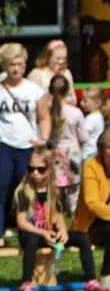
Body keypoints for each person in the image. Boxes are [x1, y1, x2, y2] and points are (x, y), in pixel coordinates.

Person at [0, 42, 51, 249]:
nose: (16, 68)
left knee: (25, 191)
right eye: (12, 64)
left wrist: (43, 138)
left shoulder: (35, 90)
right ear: (4, 66)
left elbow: (44, 117)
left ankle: (29, 233)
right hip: (2, 146)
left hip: (28, 146)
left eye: (20, 63)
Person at [12, 148, 110, 291]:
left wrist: (63, 230)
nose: (35, 173)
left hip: (50, 234)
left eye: (40, 169)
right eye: (31, 169)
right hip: (33, 234)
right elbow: (21, 222)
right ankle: (26, 284)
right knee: (30, 241)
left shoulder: (54, 191)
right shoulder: (24, 191)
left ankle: (91, 282)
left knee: (83, 238)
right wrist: (42, 233)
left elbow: (58, 217)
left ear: (49, 169)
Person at [46, 75, 89, 215]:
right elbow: (84, 136)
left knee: (54, 186)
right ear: (68, 90)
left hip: (52, 151)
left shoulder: (46, 112)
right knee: (73, 187)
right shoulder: (75, 112)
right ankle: (73, 211)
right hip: (72, 153)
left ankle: (54, 211)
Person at [74, 129, 110, 290]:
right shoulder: (91, 165)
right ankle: (107, 276)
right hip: (88, 225)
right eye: (109, 147)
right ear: (102, 149)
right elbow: (91, 202)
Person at [26, 39, 76, 104]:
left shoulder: (66, 73)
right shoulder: (37, 73)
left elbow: (72, 96)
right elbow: (31, 98)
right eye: (57, 58)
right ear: (48, 57)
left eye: (64, 58)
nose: (61, 62)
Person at [79, 85, 109, 161]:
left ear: (97, 103)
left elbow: (83, 134)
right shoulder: (98, 116)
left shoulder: (92, 118)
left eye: (85, 101)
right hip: (94, 152)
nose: (81, 103)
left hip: (88, 153)